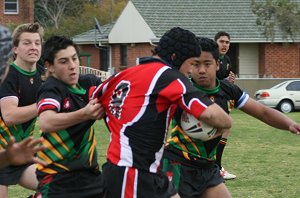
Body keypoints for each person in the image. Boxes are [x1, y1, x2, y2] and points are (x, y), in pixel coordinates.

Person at [90, 27, 232, 198]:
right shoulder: (170, 77)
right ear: (176, 58)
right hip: (132, 173)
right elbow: (211, 115)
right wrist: (225, 124)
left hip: (144, 170)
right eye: (192, 63)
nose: (190, 70)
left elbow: (94, 99)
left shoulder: (122, 75)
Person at [160, 37, 300, 198]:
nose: (202, 70)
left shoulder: (228, 90)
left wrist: (290, 124)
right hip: (178, 164)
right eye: (196, 64)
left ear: (218, 64)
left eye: (207, 64)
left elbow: (262, 111)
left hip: (207, 167)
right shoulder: (182, 90)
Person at [34, 35, 105, 198]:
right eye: (64, 62)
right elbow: (46, 122)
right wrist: (84, 113)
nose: (72, 66)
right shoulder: (51, 88)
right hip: (57, 178)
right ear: (50, 66)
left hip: (90, 176)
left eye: (74, 59)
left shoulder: (89, 83)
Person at [0, 23, 44, 198]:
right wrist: (44, 104)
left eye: (37, 43)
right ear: (15, 49)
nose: (33, 47)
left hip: (22, 154)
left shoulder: (43, 75)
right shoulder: (8, 74)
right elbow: (10, 116)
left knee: (58, 187)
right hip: (2, 155)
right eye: (27, 43)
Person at [214, 31, 236, 179]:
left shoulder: (227, 59)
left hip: (221, 98)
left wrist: (231, 80)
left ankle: (217, 166)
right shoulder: (210, 57)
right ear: (215, 42)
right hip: (208, 100)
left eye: (227, 42)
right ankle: (216, 167)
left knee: (224, 129)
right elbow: (210, 80)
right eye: (222, 41)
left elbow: (224, 79)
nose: (225, 45)